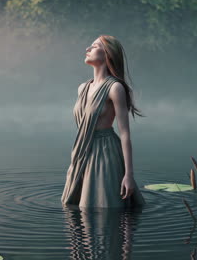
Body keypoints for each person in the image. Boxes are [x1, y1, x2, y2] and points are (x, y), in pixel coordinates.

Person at [61, 35, 146, 208]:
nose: (88, 49)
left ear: (108, 54)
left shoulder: (115, 88)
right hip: (82, 151)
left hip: (105, 153)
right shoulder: (82, 88)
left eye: (94, 46)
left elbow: (125, 134)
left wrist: (128, 175)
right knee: (79, 207)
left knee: (105, 206)